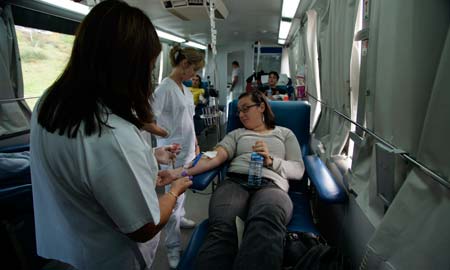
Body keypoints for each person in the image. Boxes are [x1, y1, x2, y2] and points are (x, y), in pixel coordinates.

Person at [29, 1, 192, 269]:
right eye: (148, 68)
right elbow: (143, 227)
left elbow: (85, 168)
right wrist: (173, 192)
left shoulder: (50, 103)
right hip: (109, 258)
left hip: (67, 249)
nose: (148, 78)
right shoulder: (110, 132)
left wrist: (148, 158)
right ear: (128, 67)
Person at [175, 90, 305, 270]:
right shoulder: (237, 134)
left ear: (261, 107)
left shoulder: (284, 134)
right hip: (235, 183)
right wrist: (177, 173)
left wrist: (271, 161)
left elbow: (298, 170)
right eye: (238, 111)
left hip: (272, 186)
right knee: (222, 227)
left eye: (246, 109)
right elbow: (215, 157)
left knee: (265, 223)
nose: (241, 115)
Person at [151, 45, 205, 268]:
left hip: (188, 149)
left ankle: (181, 216)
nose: (195, 75)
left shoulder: (183, 87)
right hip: (172, 152)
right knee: (171, 199)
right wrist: (166, 135)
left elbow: (188, 120)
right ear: (184, 64)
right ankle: (173, 247)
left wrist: (195, 141)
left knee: (183, 190)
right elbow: (150, 121)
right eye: (194, 69)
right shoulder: (165, 88)